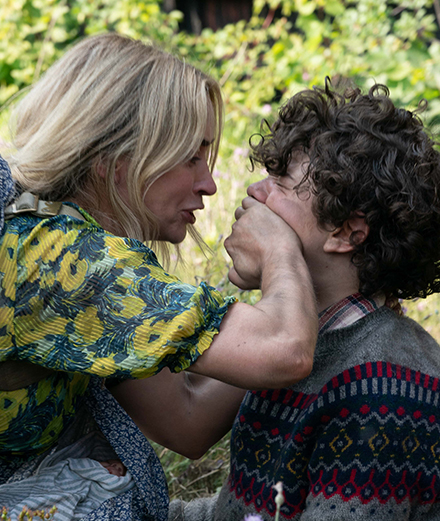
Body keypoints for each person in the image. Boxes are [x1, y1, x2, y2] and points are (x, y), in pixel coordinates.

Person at [0, 33, 318, 520]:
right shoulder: (69, 263)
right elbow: (284, 348)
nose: (209, 184)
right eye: (191, 156)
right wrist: (282, 246)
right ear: (115, 158)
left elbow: (186, 419)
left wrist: (307, 295)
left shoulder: (36, 226)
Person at [167, 81, 440, 520]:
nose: (255, 192)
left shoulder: (383, 390)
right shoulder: (314, 342)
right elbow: (235, 512)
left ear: (347, 233)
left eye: (281, 183)